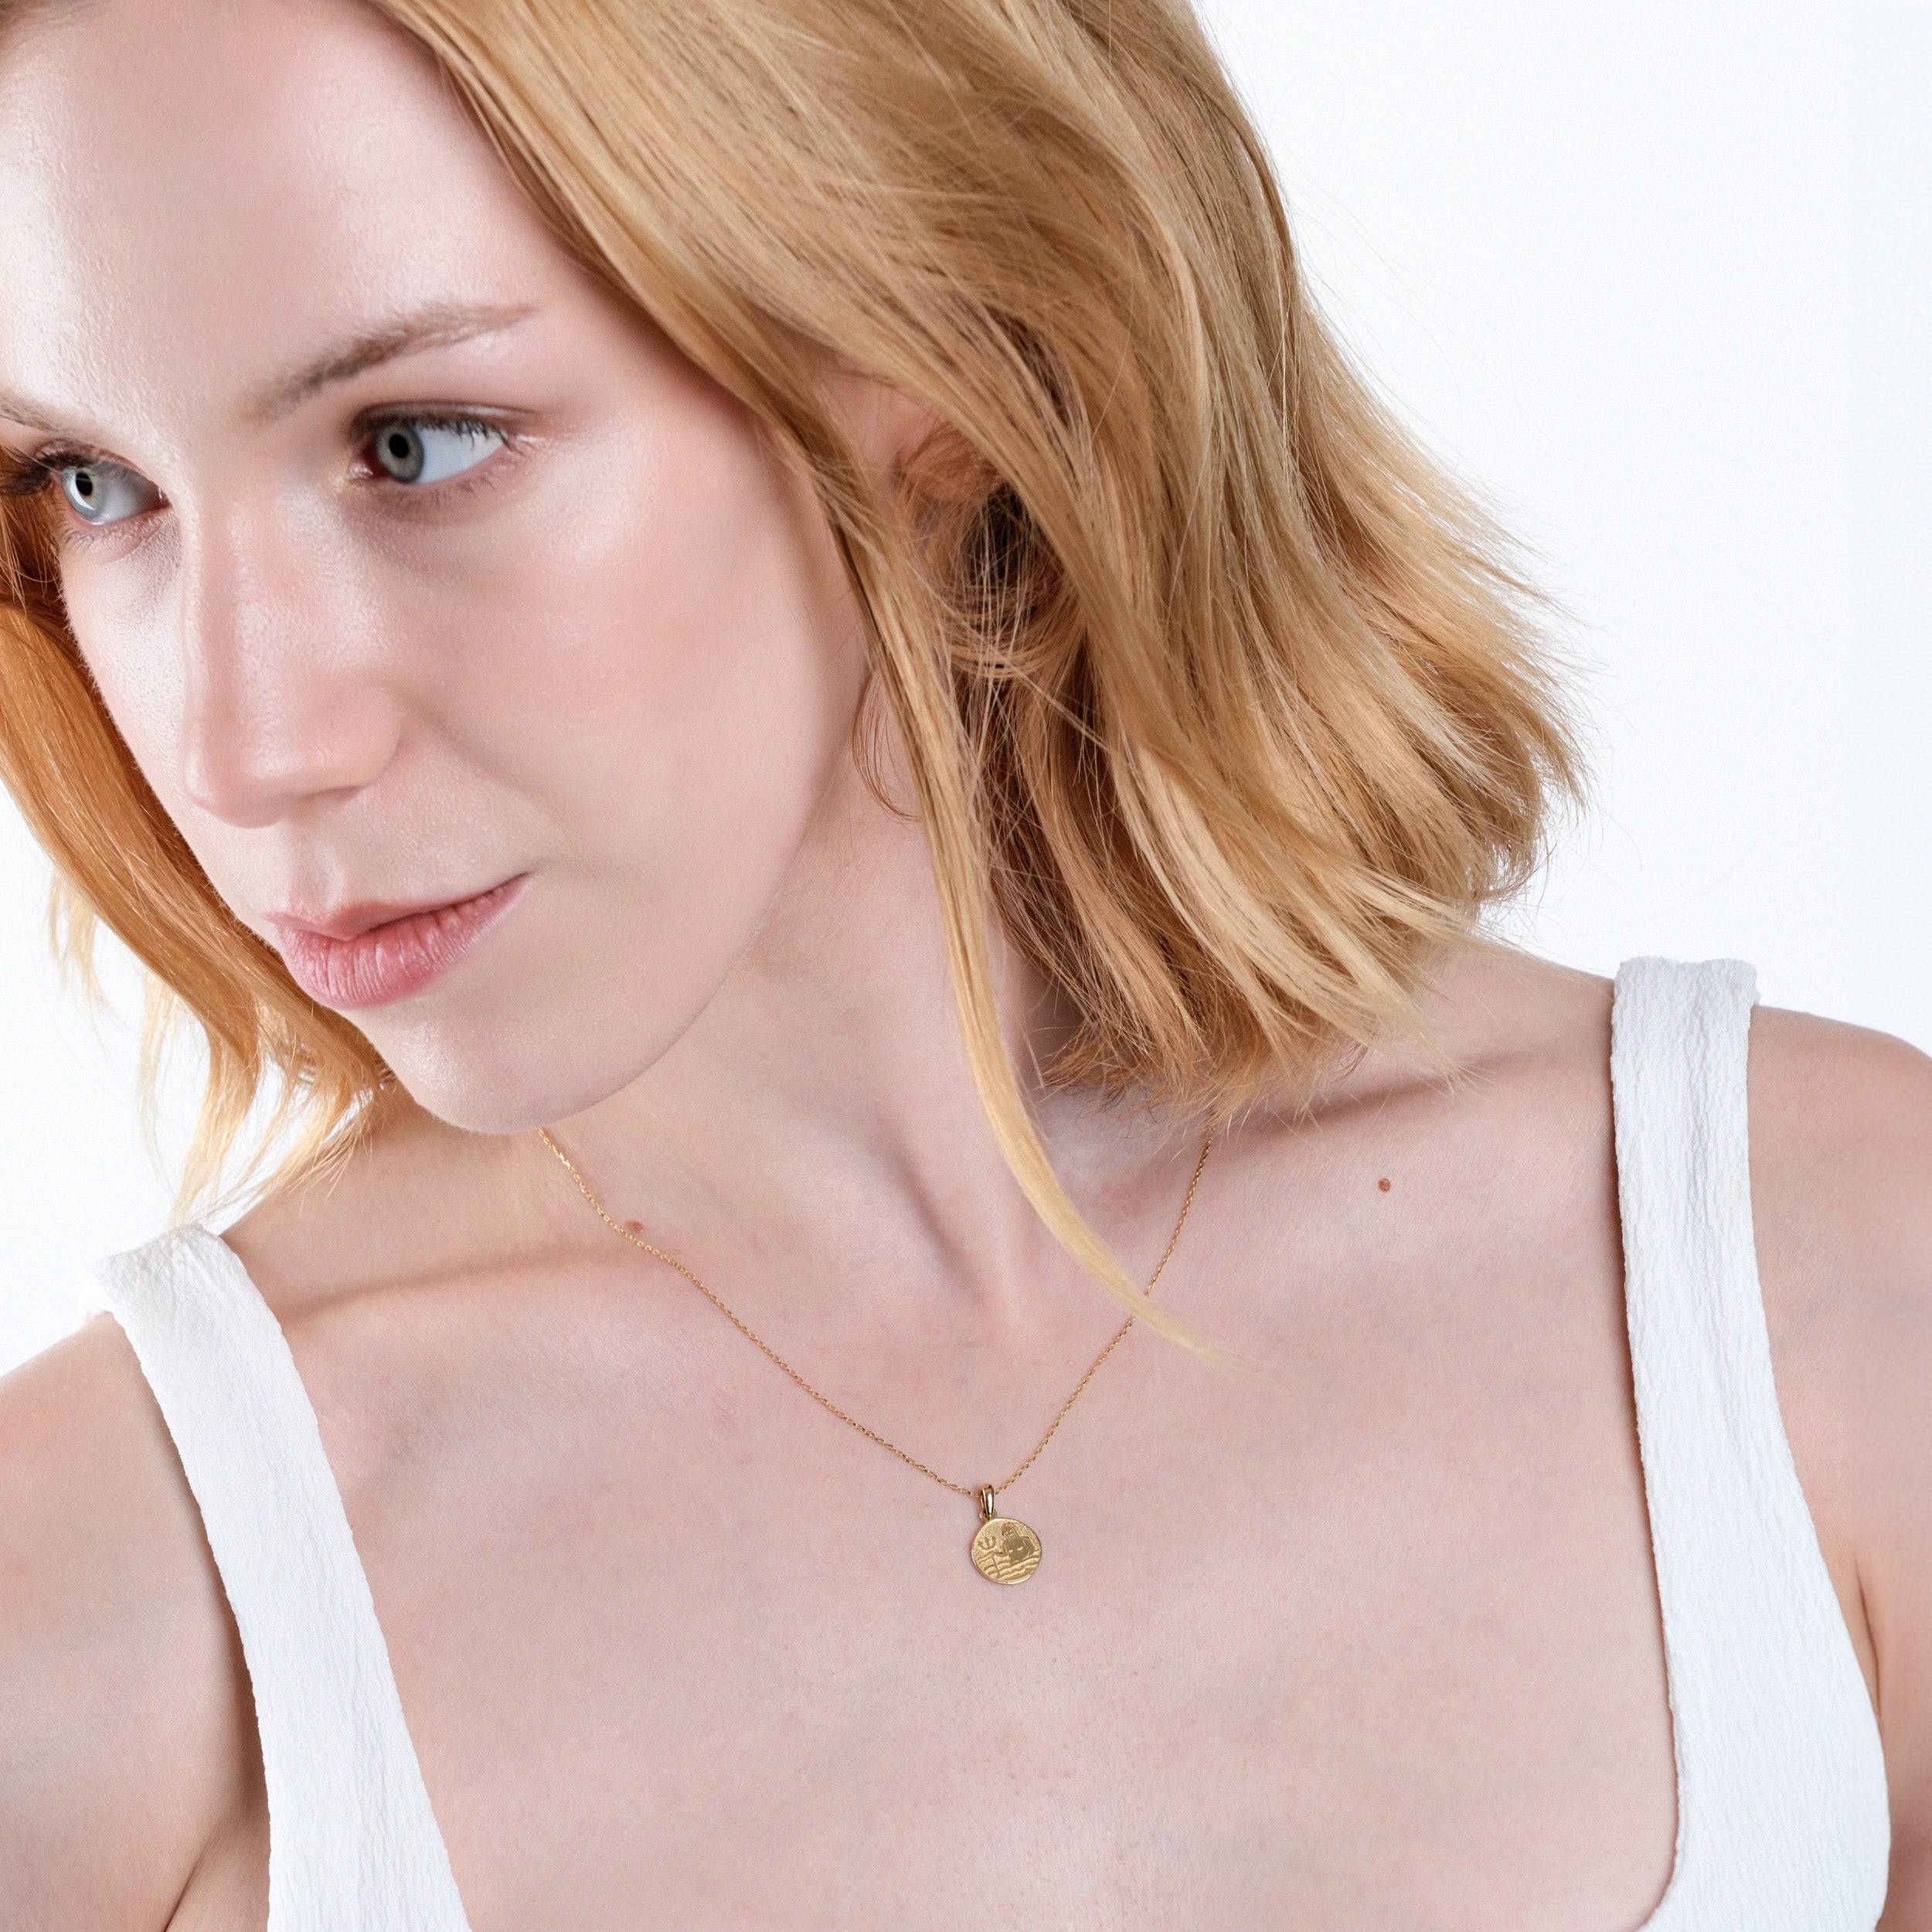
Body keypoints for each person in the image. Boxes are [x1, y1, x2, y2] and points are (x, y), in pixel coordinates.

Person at [0, 0, 1924, 1924]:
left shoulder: (1815, 1280)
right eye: (95, 487)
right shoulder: (102, 1618)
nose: (243, 744)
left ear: (942, 354)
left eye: (410, 444)